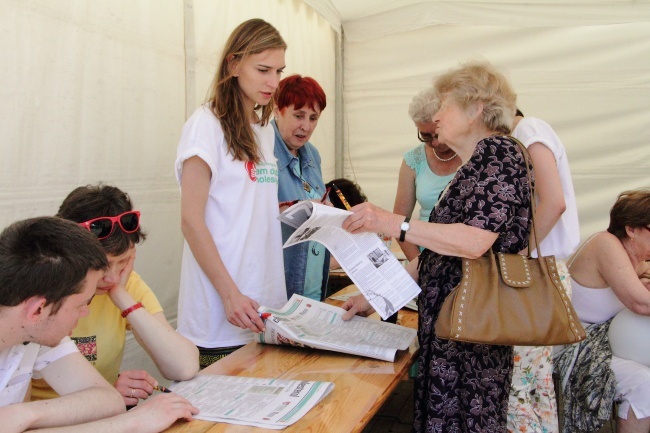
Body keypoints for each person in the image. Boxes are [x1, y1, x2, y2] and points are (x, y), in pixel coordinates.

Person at [340, 60, 531, 432]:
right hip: (453, 334)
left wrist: (396, 222)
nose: (437, 113)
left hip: (471, 338)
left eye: (445, 104)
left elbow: (475, 241)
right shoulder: (477, 162)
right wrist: (375, 297)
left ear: (476, 108)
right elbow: (435, 256)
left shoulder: (499, 153)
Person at [0, 217, 198, 432]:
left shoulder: (35, 331)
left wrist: (23, 415)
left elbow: (108, 400)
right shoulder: (38, 326)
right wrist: (131, 423)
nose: (86, 312)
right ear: (38, 310)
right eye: (82, 304)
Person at [175, 18, 288, 369]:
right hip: (220, 311)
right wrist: (230, 295)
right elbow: (191, 222)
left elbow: (248, 210)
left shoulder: (264, 130)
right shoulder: (204, 126)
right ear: (234, 64)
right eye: (263, 69)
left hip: (264, 303)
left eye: (279, 71)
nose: (273, 82)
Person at [31, 184, 199, 406]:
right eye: (103, 265)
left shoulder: (125, 283)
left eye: (124, 261)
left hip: (102, 412)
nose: (111, 277)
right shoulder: (37, 294)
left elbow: (183, 366)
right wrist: (107, 396)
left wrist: (120, 294)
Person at [507, 110, 580, 432]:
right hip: (543, 274)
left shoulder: (528, 130)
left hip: (536, 275)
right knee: (535, 385)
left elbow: (554, 203)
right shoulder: (529, 131)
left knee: (516, 391)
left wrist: (520, 253)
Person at [555, 189, 650, 433]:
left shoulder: (635, 262)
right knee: (643, 384)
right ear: (632, 229)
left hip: (606, 346)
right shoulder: (604, 243)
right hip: (574, 348)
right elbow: (640, 304)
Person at [274, 74, 330, 301]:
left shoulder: (312, 155)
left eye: (313, 118)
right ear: (277, 110)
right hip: (281, 285)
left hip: (313, 281)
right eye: (298, 115)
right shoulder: (261, 153)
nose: (306, 126)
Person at [393, 87, 462, 261]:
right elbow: (399, 220)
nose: (436, 143)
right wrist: (420, 265)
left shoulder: (472, 153)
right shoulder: (413, 160)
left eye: (438, 133)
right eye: (425, 136)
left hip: (466, 256)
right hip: (426, 255)